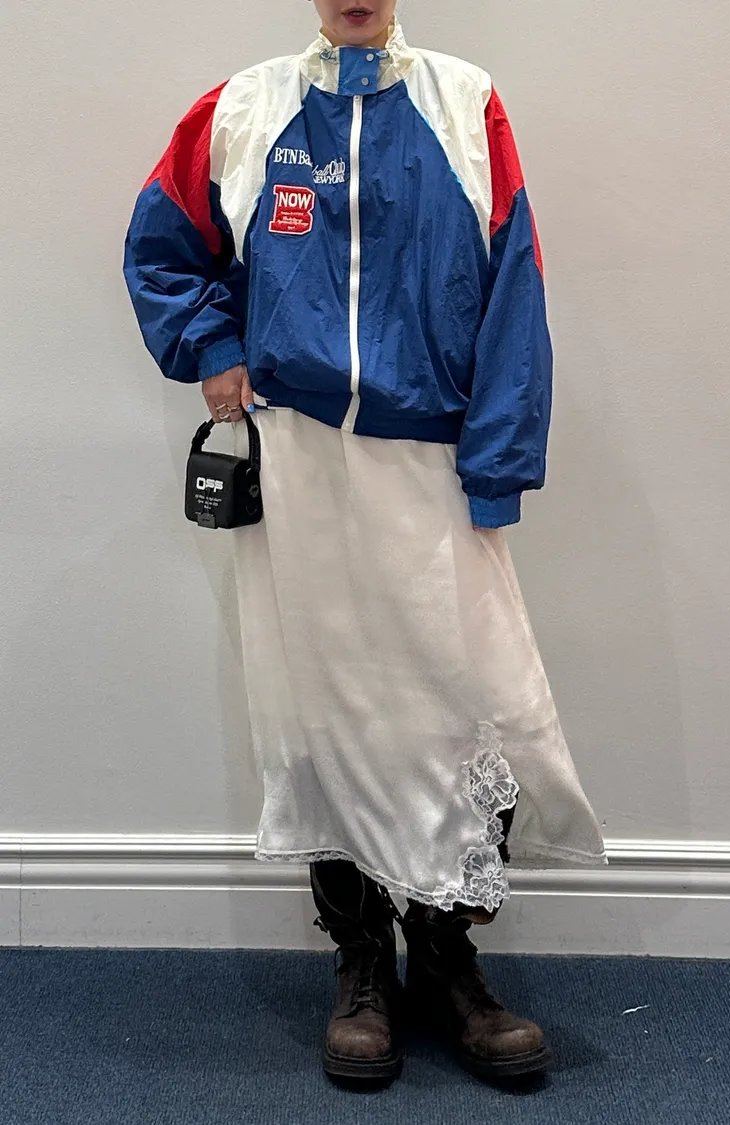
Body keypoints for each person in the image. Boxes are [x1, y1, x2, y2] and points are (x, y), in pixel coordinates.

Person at [124, 0, 607, 1088]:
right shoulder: (242, 109)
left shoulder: (465, 101)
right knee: (319, 711)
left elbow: (515, 280)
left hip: (428, 452)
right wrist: (214, 344)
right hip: (295, 456)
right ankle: (360, 964)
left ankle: (445, 955)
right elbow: (162, 246)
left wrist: (496, 459)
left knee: (465, 699)